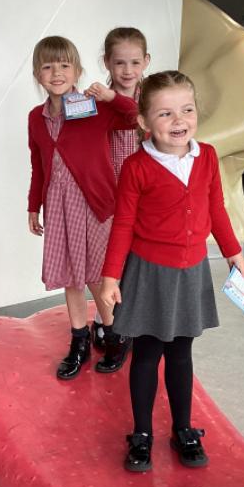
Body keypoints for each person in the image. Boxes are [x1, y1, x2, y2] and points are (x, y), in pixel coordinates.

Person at [100, 70, 244, 472]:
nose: (179, 120)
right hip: (149, 274)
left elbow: (216, 207)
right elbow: (123, 224)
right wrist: (111, 276)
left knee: (181, 353)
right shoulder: (136, 167)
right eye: (165, 113)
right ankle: (142, 433)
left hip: (191, 271)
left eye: (187, 110)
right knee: (147, 354)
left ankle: (183, 429)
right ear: (144, 122)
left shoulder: (208, 156)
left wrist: (233, 251)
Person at [26, 36, 139, 380]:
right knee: (71, 277)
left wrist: (111, 97)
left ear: (77, 71)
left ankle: (116, 333)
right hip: (59, 208)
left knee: (97, 276)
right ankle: (79, 341)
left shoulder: (93, 108)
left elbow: (135, 117)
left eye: (64, 65)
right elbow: (38, 165)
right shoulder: (35, 118)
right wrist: (33, 206)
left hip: (96, 205)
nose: (56, 73)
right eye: (48, 67)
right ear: (38, 74)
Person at [92, 27, 150, 373]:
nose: (127, 70)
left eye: (134, 62)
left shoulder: (150, 98)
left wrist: (112, 98)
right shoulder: (97, 100)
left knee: (138, 260)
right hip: (110, 191)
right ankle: (112, 324)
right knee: (107, 260)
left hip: (144, 193)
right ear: (107, 63)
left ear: (146, 62)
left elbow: (135, 114)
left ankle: (133, 325)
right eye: (119, 63)